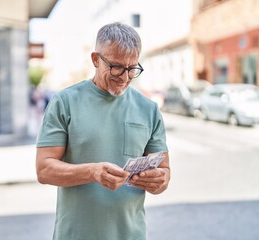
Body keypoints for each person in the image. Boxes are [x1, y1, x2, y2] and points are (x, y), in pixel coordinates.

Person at [36, 22, 170, 240]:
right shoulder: (65, 102)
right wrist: (92, 172)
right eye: (116, 67)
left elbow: (164, 172)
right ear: (96, 60)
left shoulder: (149, 109)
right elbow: (44, 170)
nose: (125, 77)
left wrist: (159, 180)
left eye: (132, 68)